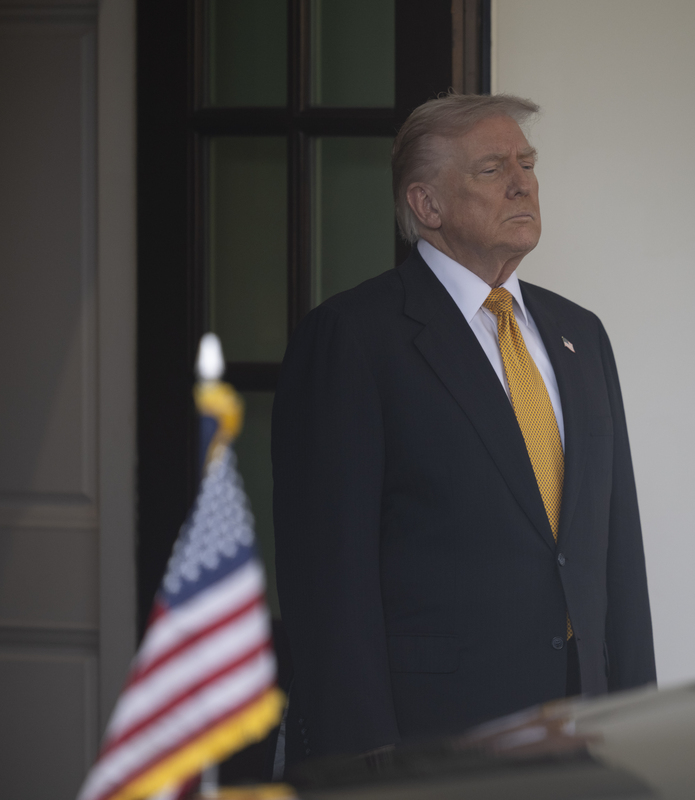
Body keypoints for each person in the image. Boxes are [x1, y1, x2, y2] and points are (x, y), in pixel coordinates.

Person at [272, 94, 656, 764]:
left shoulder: (580, 334)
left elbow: (616, 550)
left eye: (527, 163)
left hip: (584, 725)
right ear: (427, 206)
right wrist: (365, 764)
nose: (522, 182)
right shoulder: (355, 339)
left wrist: (640, 723)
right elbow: (330, 584)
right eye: (491, 169)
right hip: (435, 738)